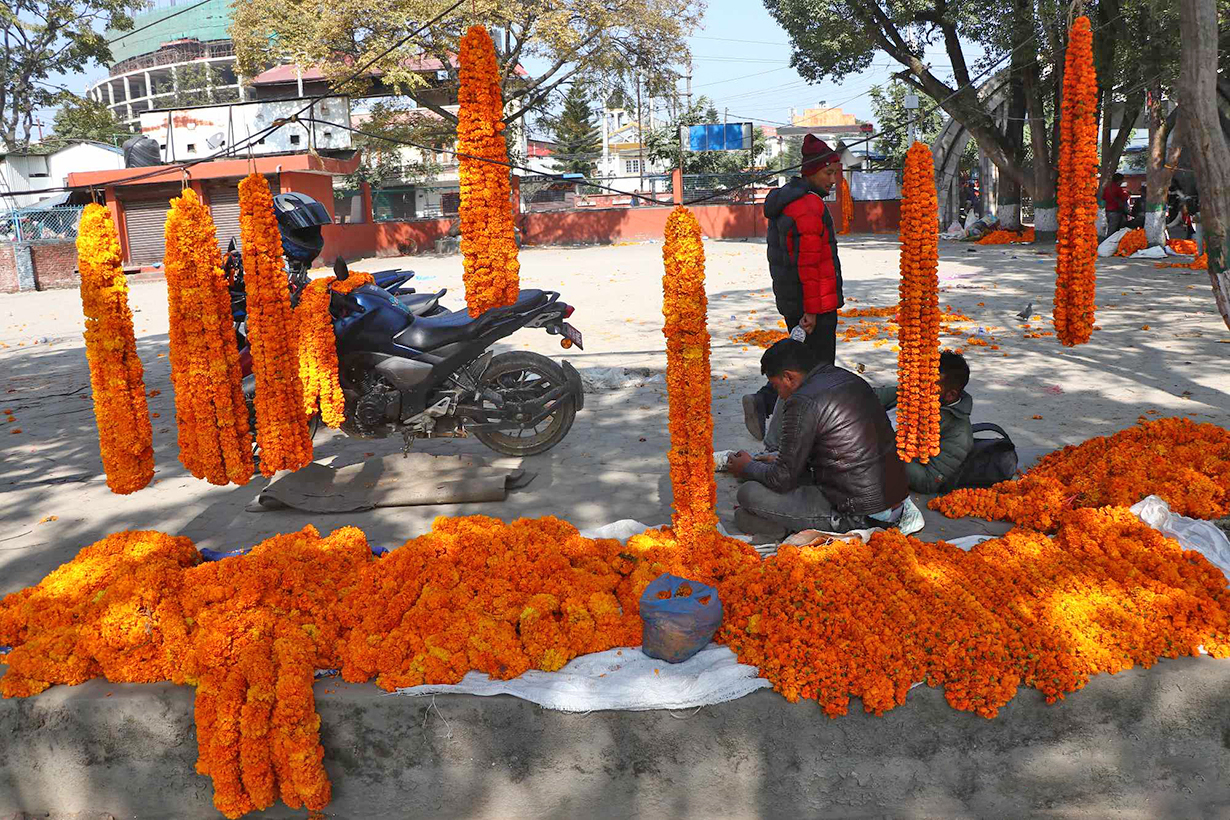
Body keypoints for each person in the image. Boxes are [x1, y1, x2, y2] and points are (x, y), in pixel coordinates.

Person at [727, 339, 909, 538]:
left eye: (776, 387)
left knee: (748, 493)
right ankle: (785, 524)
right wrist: (778, 459)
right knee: (760, 488)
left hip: (859, 515)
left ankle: (793, 528)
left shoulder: (801, 400)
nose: (780, 396)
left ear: (788, 377)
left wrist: (747, 467)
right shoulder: (845, 377)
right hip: (890, 499)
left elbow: (781, 479)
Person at [741, 133, 845, 442]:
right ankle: (795, 427)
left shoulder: (788, 202)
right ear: (811, 172)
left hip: (794, 301)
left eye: (835, 173)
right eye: (828, 173)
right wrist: (812, 311)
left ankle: (766, 403)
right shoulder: (808, 205)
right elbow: (810, 264)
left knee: (800, 366)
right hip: (814, 305)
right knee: (817, 373)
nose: (833, 180)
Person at [875, 351, 974, 494]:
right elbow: (868, 395)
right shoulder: (913, 390)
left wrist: (883, 450)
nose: (918, 390)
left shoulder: (959, 434)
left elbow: (928, 481)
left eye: (928, 387)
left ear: (950, 395)